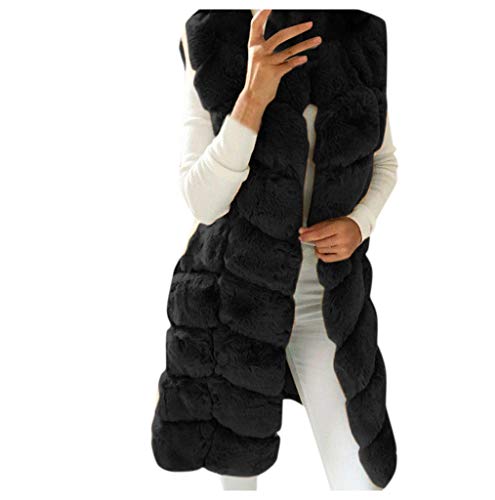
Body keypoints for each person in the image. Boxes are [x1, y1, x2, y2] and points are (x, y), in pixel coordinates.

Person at [177, 9, 398, 490]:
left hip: (327, 304)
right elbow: (202, 201)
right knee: (239, 478)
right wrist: (253, 97)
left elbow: (385, 162)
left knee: (359, 480)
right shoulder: (214, 34)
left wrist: (358, 225)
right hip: (234, 305)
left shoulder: (360, 35)